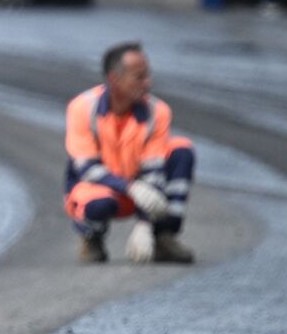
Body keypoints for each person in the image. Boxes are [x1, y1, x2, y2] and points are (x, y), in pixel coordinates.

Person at [64, 43, 195, 265]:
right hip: (101, 188)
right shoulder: (83, 108)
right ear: (115, 79)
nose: (148, 83)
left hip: (141, 190)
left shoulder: (157, 112)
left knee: (181, 150)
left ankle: (163, 236)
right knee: (98, 204)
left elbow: (155, 168)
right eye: (139, 77)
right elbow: (86, 168)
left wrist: (145, 223)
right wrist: (132, 188)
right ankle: (91, 238)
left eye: (148, 75)